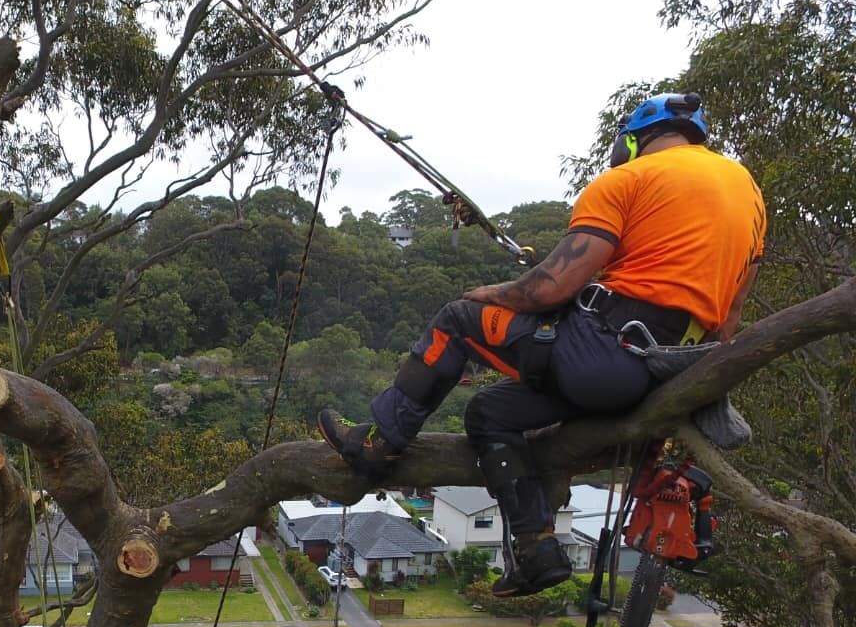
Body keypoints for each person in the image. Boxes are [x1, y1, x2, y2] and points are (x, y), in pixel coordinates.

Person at [318, 93, 766, 597]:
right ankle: (536, 552)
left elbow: (552, 287)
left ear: (634, 139)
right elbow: (728, 320)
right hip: (665, 371)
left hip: (603, 354)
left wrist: (492, 294)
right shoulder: (749, 196)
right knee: (490, 413)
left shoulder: (627, 179)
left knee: (456, 320)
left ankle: (378, 445)